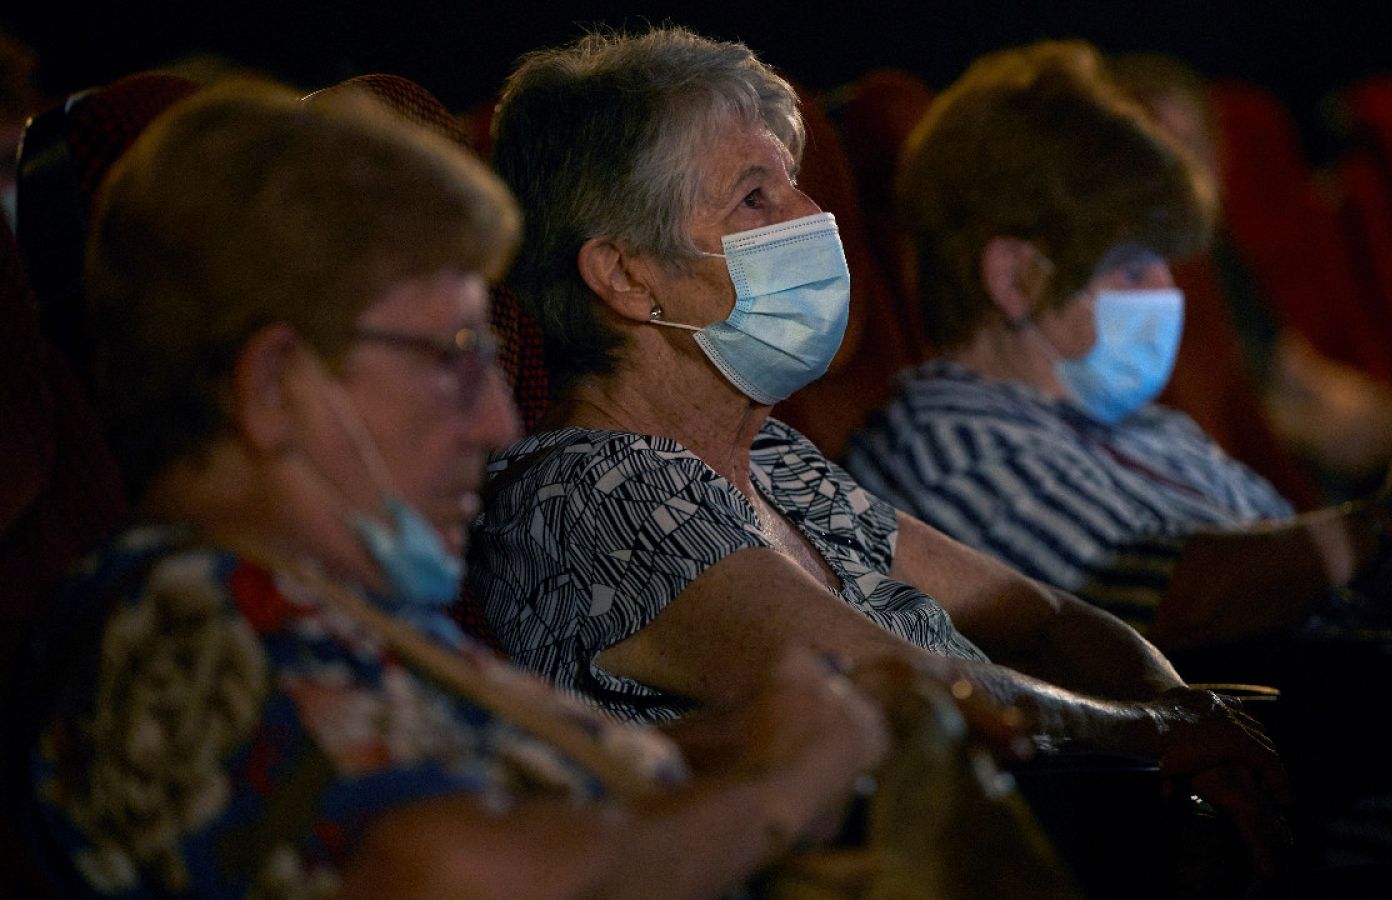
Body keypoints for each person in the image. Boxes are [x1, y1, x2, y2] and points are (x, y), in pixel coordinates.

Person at [17, 80, 890, 899]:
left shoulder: (347, 609)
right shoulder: (173, 615)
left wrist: (729, 743)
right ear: (276, 385)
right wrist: (781, 788)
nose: (498, 424)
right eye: (453, 360)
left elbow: (482, 793)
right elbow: (440, 870)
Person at [469, 25, 1290, 869]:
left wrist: (1184, 709)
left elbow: (1040, 618)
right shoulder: (589, 494)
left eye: (794, 185)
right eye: (755, 199)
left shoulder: (779, 462)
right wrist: (1159, 733)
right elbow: (908, 689)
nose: (814, 215)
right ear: (626, 276)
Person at [842, 39, 1392, 653]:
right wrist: (1383, 521)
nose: (1168, 293)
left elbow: (1323, 591)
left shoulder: (1159, 434)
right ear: (1015, 278)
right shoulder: (946, 446)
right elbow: (1157, 605)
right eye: (1134, 266)